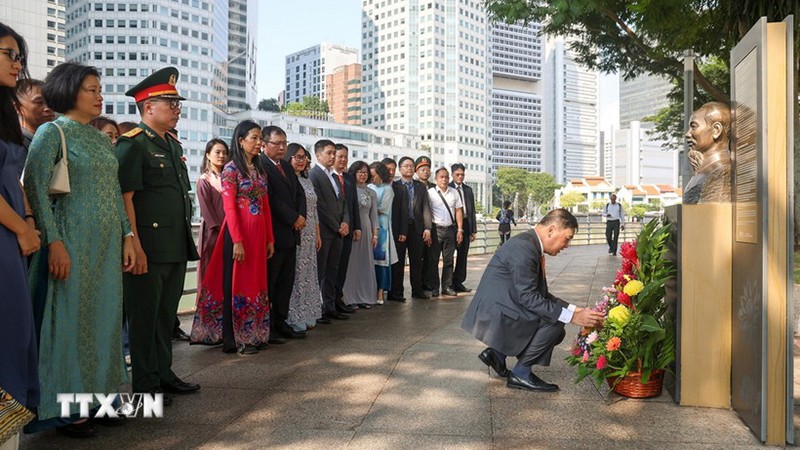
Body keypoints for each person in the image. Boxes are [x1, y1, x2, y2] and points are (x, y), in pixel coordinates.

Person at [24, 62, 134, 437]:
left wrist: (128, 236)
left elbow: (114, 196)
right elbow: (37, 192)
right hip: (69, 241)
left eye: (99, 88)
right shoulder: (51, 132)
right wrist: (53, 242)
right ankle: (68, 410)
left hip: (104, 247)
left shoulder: (102, 139)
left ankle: (101, 400)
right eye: (91, 88)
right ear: (70, 90)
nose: (99, 95)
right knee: (67, 324)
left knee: (103, 321)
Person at [116, 67, 200, 405]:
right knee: (144, 318)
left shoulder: (171, 143)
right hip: (147, 247)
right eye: (170, 102)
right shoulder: (132, 144)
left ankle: (164, 372)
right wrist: (133, 242)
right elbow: (125, 198)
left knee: (167, 315)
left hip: (175, 245)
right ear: (148, 106)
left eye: (178, 102)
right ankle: (146, 383)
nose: (177, 107)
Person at [462, 209, 604, 392]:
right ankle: (521, 373)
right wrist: (571, 317)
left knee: (557, 320)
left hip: (503, 308)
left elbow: (540, 294)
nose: (567, 245)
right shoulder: (525, 248)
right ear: (551, 230)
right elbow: (530, 298)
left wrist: (576, 310)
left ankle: (497, 354)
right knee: (555, 323)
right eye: (567, 238)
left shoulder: (529, 244)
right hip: (495, 316)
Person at [191, 121, 275, 355]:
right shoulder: (231, 170)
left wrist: (270, 238)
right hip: (239, 235)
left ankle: (256, 333)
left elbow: (265, 206)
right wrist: (237, 240)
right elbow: (229, 207)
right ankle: (238, 338)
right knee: (238, 283)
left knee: (257, 283)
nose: (260, 143)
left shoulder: (260, 171)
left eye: (261, 139)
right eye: (255, 138)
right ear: (240, 140)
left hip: (258, 237)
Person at [0, 22, 40, 449]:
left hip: (12, 240)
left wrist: (27, 223)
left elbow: (13, 177)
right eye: (8, 53)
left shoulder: (4, 114)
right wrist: (21, 228)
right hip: (6, 236)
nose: (17, 63)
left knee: (15, 334)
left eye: (19, 55)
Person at [260, 125, 307, 341]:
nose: (281, 147)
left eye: (284, 143)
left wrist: (301, 216)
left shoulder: (286, 168)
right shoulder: (260, 166)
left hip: (292, 234)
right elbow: (271, 199)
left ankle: (281, 321)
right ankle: (268, 326)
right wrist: (292, 217)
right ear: (264, 144)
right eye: (276, 143)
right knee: (272, 281)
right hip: (275, 234)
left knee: (286, 282)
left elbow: (299, 194)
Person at [308, 139, 349, 321]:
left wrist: (345, 222)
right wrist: (336, 226)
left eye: (334, 153)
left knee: (333, 270)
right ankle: (318, 309)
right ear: (318, 155)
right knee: (321, 271)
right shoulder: (314, 174)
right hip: (324, 231)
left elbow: (343, 202)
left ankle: (330, 306)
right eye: (329, 153)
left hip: (338, 231)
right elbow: (320, 206)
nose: (332, 156)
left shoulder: (335, 175)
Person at [285, 143, 324, 330]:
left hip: (310, 234)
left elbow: (314, 211)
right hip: (295, 231)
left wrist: (317, 234)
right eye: (297, 157)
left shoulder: (307, 180)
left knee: (309, 273)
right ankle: (294, 315)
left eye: (304, 157)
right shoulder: (287, 179)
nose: (302, 161)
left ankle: (309, 311)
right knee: (296, 275)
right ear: (289, 157)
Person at [394, 156, 432, 300]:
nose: (409, 168)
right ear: (400, 168)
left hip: (416, 229)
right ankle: (397, 292)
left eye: (411, 166)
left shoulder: (420, 187)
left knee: (417, 262)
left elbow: (426, 209)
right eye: (406, 166)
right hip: (400, 230)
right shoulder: (395, 186)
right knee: (399, 262)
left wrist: (427, 228)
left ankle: (417, 291)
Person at [342, 160, 378, 308]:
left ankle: (365, 297)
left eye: (365, 172)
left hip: (367, 230)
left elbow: (374, 215)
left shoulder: (372, 192)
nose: (363, 175)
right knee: (351, 265)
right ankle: (349, 298)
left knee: (365, 264)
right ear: (353, 172)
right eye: (359, 172)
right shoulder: (347, 188)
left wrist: (375, 235)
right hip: (352, 229)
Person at [683, 101, 732, 204]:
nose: (688, 134)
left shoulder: (723, 172)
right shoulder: (703, 171)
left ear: (716, 130)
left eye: (694, 127)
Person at [196, 138, 228, 287]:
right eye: (217, 152)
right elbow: (206, 209)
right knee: (210, 270)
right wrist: (218, 229)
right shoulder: (205, 180)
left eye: (224, 153)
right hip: (213, 233)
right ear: (208, 155)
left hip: (230, 232)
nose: (221, 155)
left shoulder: (229, 178)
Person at [427, 167, 463, 297]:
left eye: (447, 177)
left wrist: (460, 229)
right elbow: (427, 212)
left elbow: (459, 211)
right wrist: (428, 230)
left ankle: (447, 286)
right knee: (433, 260)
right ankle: (434, 287)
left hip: (450, 229)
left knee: (448, 260)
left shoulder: (454, 192)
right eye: (441, 177)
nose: (444, 179)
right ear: (436, 179)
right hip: (436, 229)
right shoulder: (430, 192)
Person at [333, 144, 360, 313]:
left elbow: (353, 205)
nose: (343, 160)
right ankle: (329, 302)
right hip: (333, 229)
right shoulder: (328, 177)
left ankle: (338, 299)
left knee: (343, 267)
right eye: (340, 156)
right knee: (332, 269)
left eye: (345, 157)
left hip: (349, 229)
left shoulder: (349, 178)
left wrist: (355, 226)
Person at [368, 161, 397, 305]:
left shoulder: (387, 189)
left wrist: (367, 210)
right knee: (368, 260)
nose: (372, 178)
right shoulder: (368, 187)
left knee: (380, 260)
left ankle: (380, 290)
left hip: (382, 228)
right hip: (368, 226)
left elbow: (382, 208)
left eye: (374, 175)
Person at [383, 157, 409, 302]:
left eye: (393, 169)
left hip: (397, 231)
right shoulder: (374, 186)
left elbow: (404, 212)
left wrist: (403, 232)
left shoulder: (401, 189)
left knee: (397, 263)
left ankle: (396, 292)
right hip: (379, 231)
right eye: (388, 169)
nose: (391, 172)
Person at [449, 163, 476, 293]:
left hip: (465, 224)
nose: (460, 177)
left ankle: (458, 281)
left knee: (463, 255)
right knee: (448, 255)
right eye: (457, 174)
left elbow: (471, 211)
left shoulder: (468, 190)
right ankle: (447, 283)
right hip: (451, 225)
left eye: (462, 174)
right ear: (452, 174)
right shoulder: (446, 188)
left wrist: (473, 230)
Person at [415, 156, 438, 296]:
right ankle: (419, 284)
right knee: (418, 257)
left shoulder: (434, 188)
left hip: (433, 227)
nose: (425, 172)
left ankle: (428, 282)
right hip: (417, 228)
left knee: (431, 257)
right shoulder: (414, 186)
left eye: (427, 169)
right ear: (417, 171)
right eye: (422, 169)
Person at [13, 78, 53, 152]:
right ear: (18, 108)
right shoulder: (14, 146)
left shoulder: (53, 139)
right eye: (39, 102)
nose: (48, 108)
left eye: (50, 101)